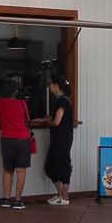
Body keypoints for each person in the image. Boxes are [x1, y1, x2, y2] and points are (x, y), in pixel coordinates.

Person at [0, 76, 33, 210]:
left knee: (8, 170)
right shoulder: (22, 103)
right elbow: (27, 120)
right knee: (21, 171)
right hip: (23, 139)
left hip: (7, 139)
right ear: (15, 91)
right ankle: (18, 201)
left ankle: (6, 199)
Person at [43, 75, 78, 205]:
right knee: (58, 164)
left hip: (61, 139)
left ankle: (63, 196)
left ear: (56, 86)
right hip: (64, 138)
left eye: (51, 84)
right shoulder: (65, 100)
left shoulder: (62, 101)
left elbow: (57, 121)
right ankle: (61, 195)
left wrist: (48, 121)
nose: (49, 87)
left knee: (56, 165)